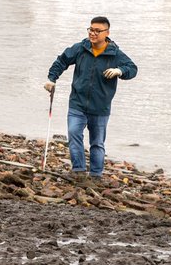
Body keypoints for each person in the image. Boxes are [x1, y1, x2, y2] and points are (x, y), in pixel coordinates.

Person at [44, 17, 137, 182]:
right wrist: (52, 78)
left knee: (97, 143)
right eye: (91, 29)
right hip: (77, 104)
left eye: (97, 31)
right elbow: (62, 61)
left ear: (107, 33)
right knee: (74, 134)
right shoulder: (81, 48)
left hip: (100, 107)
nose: (93, 33)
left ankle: (96, 175)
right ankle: (78, 171)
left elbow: (132, 69)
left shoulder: (115, 54)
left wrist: (119, 71)